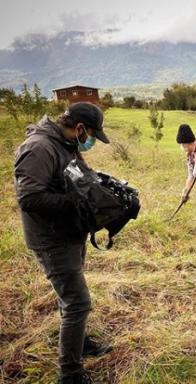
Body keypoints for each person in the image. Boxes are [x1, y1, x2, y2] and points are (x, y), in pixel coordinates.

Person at [14, 102, 113, 384]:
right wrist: (76, 202)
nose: (91, 140)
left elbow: (77, 179)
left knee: (70, 297)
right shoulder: (39, 148)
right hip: (52, 239)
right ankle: (70, 374)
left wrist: (100, 188)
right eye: (91, 134)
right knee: (78, 303)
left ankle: (80, 343)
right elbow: (29, 198)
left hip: (70, 233)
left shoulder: (66, 144)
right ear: (80, 127)